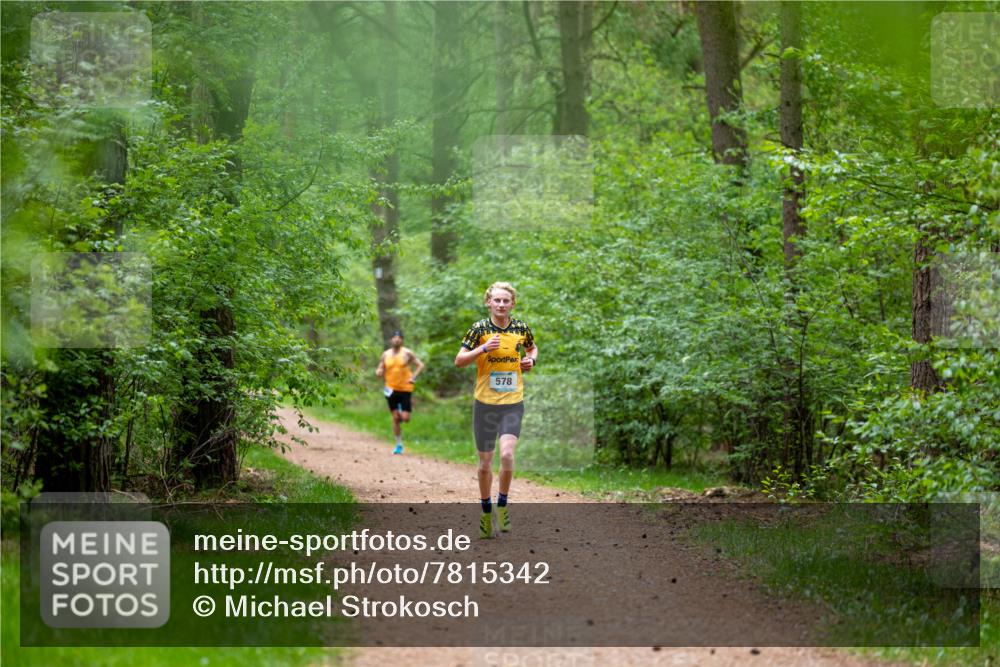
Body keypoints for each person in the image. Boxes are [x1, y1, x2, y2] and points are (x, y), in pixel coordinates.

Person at [454, 282, 537, 538]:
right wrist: (482, 349)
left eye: (506, 301)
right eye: (497, 300)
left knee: (508, 455)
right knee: (485, 462)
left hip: (513, 402)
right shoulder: (478, 330)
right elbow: (459, 361)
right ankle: (486, 511)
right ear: (488, 302)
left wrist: (531, 359)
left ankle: (502, 504)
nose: (501, 305)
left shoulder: (521, 328)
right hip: (485, 404)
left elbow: (532, 347)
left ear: (513, 303)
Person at [376, 330, 424, 454]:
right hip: (390, 389)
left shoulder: (407, 353)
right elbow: (381, 367)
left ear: (402, 340)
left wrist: (414, 377)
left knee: (405, 418)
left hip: (405, 388)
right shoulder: (385, 354)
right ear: (391, 340)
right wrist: (379, 371)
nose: (397, 340)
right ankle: (398, 444)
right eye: (394, 338)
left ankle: (402, 412)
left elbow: (420, 365)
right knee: (395, 418)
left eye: (399, 338)